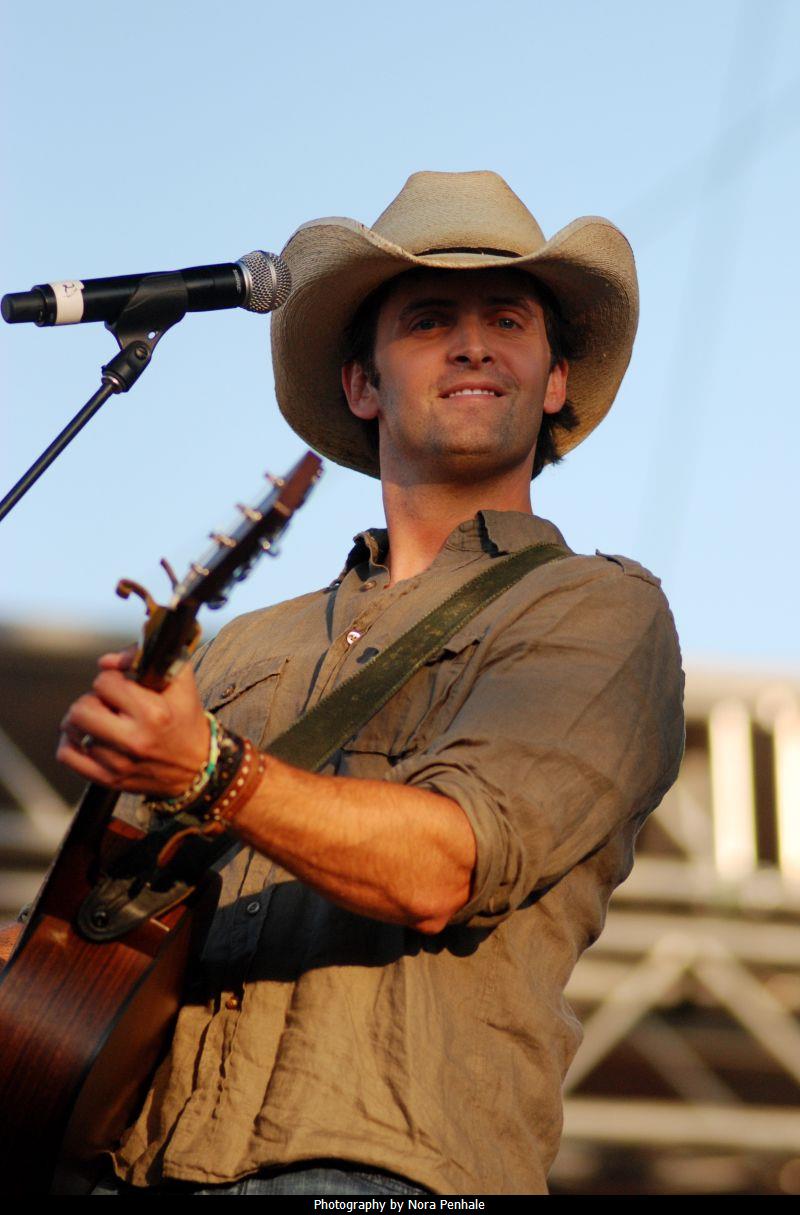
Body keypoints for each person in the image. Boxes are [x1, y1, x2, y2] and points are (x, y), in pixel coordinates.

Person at [53, 171, 684, 1196]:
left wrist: (209, 768)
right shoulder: (241, 644)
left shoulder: (596, 609)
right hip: (141, 1170)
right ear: (360, 385)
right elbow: (95, 924)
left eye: (507, 320)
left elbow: (444, 866)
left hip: (390, 1174)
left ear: (553, 380)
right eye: (429, 320)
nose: (472, 345)